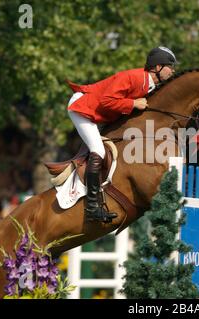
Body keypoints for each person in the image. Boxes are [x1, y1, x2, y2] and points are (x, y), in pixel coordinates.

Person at [66, 46, 178, 222]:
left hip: (99, 113)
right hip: (83, 108)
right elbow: (106, 101)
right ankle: (92, 207)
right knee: (99, 151)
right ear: (157, 67)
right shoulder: (133, 77)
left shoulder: (150, 86)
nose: (173, 70)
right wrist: (133, 104)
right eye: (170, 66)